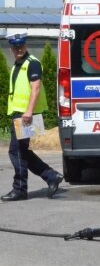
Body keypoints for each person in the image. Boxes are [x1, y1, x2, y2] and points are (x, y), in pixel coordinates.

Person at [3, 33, 63, 202]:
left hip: (28, 115)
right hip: (20, 114)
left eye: (21, 45)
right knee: (23, 152)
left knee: (17, 152)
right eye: (15, 46)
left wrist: (28, 112)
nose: (18, 49)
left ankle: (20, 189)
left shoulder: (32, 63)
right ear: (11, 48)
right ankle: (51, 176)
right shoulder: (17, 65)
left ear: (25, 45)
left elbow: (35, 89)